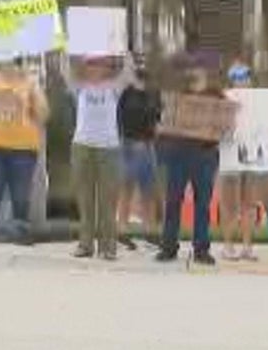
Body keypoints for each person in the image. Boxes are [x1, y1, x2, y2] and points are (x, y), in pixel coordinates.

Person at [0, 57, 49, 246]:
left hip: (24, 148)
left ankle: (22, 232)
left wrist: (36, 91)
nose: (9, 68)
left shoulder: (29, 82)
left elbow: (43, 113)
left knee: (21, 195)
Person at [157, 64, 223, 265]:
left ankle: (201, 249)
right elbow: (165, 122)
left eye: (199, 75)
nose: (195, 79)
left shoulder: (216, 96)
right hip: (178, 153)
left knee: (203, 204)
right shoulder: (177, 98)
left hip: (205, 154)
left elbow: (227, 122)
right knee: (173, 201)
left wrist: (217, 129)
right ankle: (168, 247)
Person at [65, 55, 126, 261]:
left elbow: (128, 67)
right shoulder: (79, 86)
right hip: (82, 146)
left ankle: (108, 247)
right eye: (90, 64)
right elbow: (68, 62)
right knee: (85, 199)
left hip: (108, 148)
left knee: (108, 201)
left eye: (100, 64)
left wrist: (116, 47)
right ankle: (85, 244)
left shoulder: (114, 87)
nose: (94, 68)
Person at [218, 62, 266, 261]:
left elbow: (266, 128)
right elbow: (216, 129)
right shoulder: (223, 99)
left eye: (245, 77)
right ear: (232, 81)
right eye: (237, 78)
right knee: (230, 203)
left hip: (252, 157)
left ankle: (247, 246)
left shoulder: (260, 102)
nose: (242, 82)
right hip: (230, 156)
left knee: (250, 203)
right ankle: (228, 246)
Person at [116, 59, 161, 250]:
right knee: (127, 188)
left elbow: (159, 118)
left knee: (148, 190)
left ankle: (149, 232)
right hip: (129, 144)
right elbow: (118, 118)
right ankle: (122, 231)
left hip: (148, 145)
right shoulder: (126, 93)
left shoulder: (154, 93)